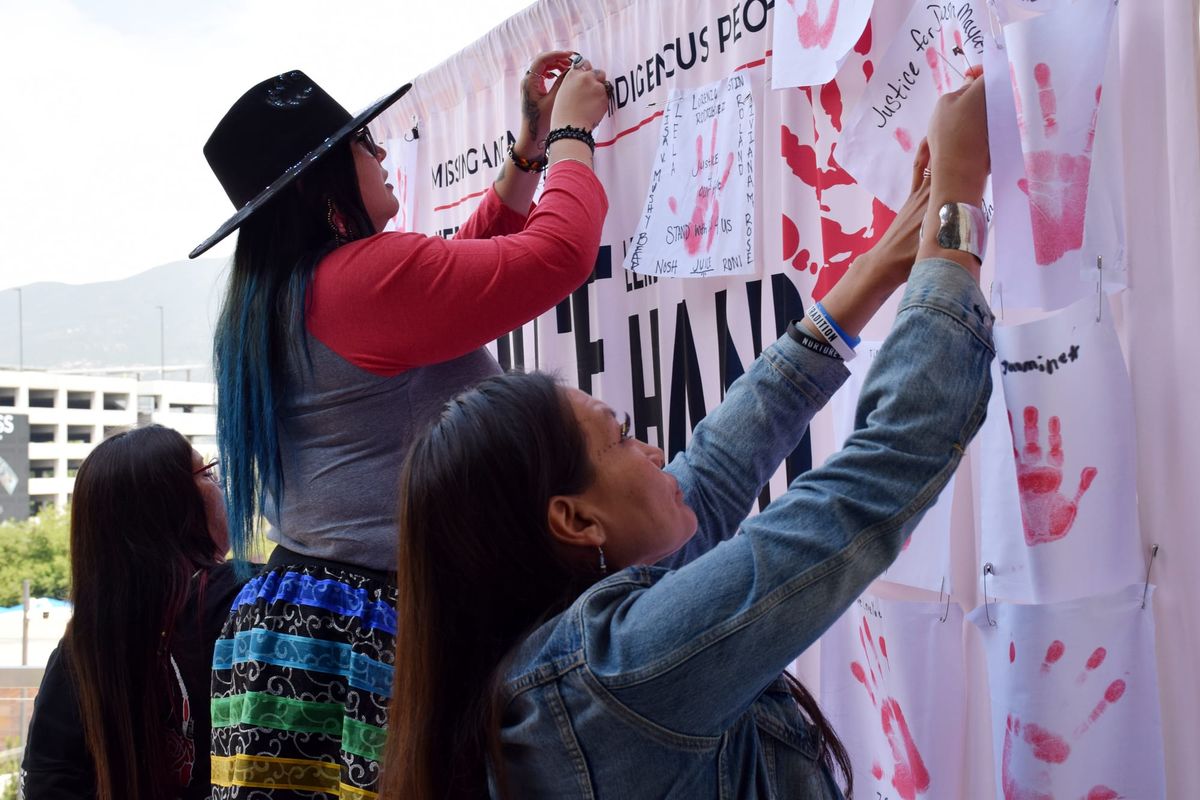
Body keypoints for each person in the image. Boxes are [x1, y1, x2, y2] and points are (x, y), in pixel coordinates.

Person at [382, 70, 994, 799]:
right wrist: (957, 204)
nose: (653, 452)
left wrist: (879, 267)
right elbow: (874, 481)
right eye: (620, 440)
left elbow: (718, 466)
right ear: (572, 519)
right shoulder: (620, 673)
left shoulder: (556, 655)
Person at [194, 53, 613, 798]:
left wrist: (527, 155)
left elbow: (455, 270)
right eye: (362, 143)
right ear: (322, 185)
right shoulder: (356, 281)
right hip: (381, 632)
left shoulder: (278, 298)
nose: (382, 153)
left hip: (305, 625)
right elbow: (556, 257)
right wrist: (574, 136)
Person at [21, 425, 241, 800]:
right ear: (174, 506)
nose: (220, 486)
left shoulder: (83, 644)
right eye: (206, 474)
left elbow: (46, 781)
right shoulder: (247, 603)